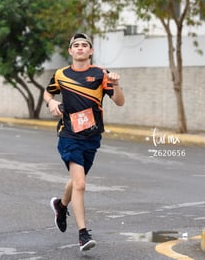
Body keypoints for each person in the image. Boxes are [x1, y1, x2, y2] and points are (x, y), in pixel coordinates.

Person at [44, 33, 125, 251]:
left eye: (84, 45)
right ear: (70, 51)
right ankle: (82, 234)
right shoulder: (61, 74)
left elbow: (119, 102)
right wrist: (51, 102)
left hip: (92, 136)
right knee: (80, 183)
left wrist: (116, 84)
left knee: (76, 180)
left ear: (91, 51)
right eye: (76, 45)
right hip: (69, 134)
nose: (80, 48)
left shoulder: (101, 74)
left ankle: (61, 206)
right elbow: (47, 92)